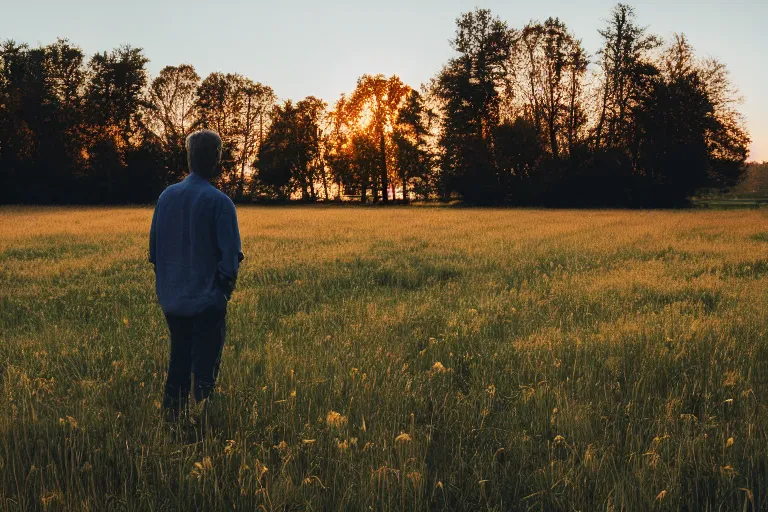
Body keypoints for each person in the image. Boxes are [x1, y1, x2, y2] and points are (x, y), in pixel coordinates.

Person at [149, 129, 244, 424]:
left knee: (178, 362)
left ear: (189, 157)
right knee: (204, 371)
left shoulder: (167, 197)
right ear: (216, 159)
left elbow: (154, 252)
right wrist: (221, 294)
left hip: (173, 301)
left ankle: (172, 424)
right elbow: (230, 260)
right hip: (206, 303)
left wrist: (169, 286)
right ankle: (202, 428)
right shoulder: (219, 202)